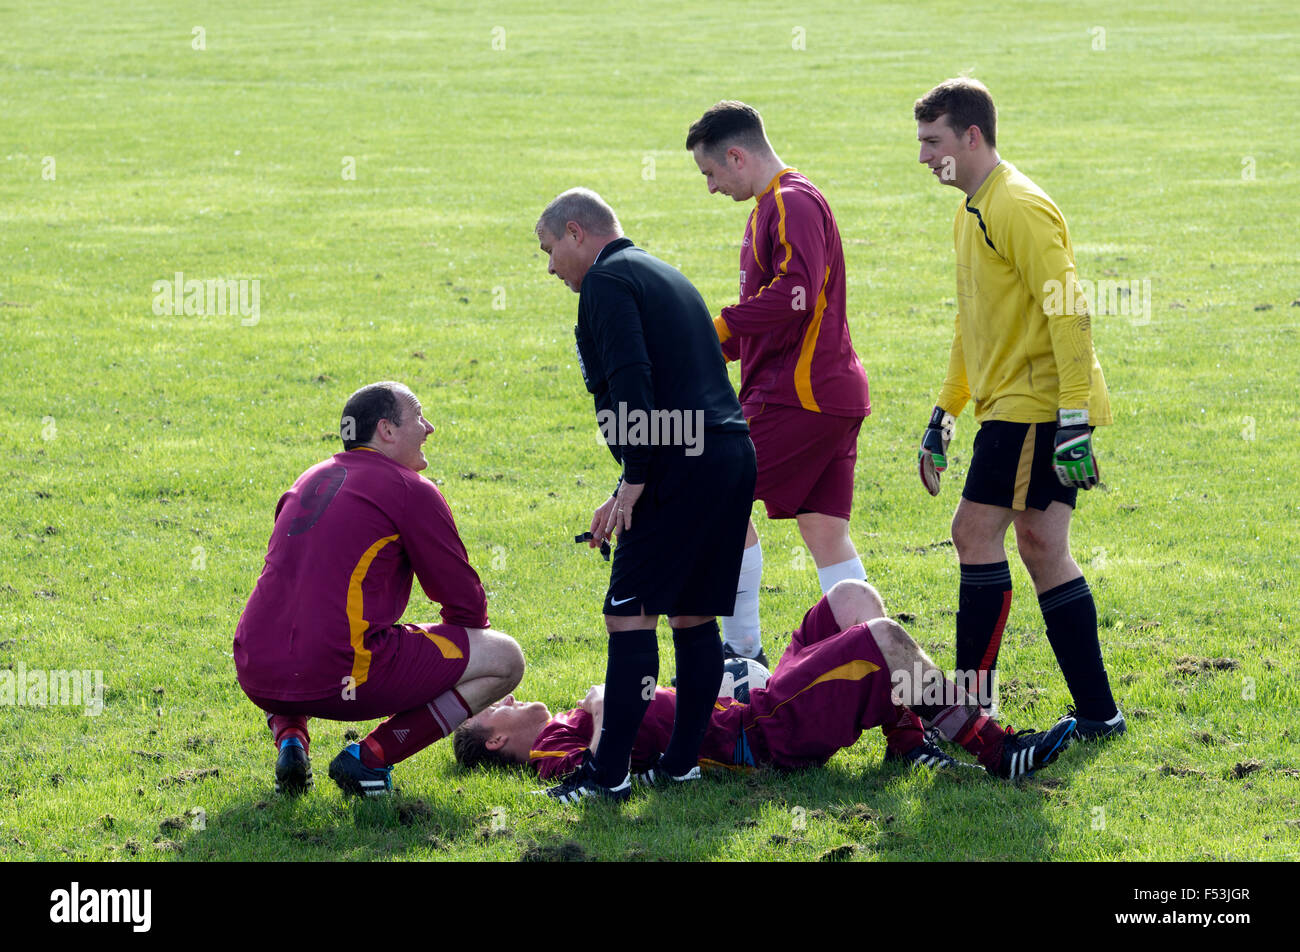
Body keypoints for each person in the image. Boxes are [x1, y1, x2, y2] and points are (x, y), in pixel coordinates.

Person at [913, 77, 1124, 740]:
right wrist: (944, 416)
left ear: (971, 136)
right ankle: (1098, 714)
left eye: (933, 141)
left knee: (974, 534)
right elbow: (969, 326)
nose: (923, 156)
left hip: (1036, 407)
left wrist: (1069, 419)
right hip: (1015, 405)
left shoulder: (1019, 207)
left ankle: (969, 717)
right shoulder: (971, 209)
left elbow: (1070, 311)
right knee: (1040, 545)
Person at [535, 187, 757, 802]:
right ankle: (681, 764)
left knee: (627, 614)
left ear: (576, 233)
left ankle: (608, 777)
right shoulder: (665, 274)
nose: (550, 266)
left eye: (549, 249)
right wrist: (624, 483)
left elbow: (634, 383)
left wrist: (635, 480)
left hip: (676, 465)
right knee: (694, 613)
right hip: (727, 454)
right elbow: (685, 384)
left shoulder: (606, 283)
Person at [453, 580, 1077, 784]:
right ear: (493, 743)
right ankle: (995, 748)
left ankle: (908, 741)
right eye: (490, 711)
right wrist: (601, 708)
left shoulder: (559, 725)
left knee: (850, 598)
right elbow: (599, 780)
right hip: (763, 733)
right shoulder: (548, 754)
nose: (503, 697)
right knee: (883, 639)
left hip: (753, 697)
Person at [233, 381, 525, 797]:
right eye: (419, 416)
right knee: (505, 658)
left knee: (297, 631)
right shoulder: (411, 489)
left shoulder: (308, 477)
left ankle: (291, 738)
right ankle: (370, 759)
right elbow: (465, 606)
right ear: (386, 430)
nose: (430, 427)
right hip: (340, 672)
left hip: (255, 666)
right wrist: (452, 662)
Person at [685, 101, 872, 670]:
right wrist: (710, 347)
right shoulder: (771, 205)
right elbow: (771, 311)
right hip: (828, 395)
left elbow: (798, 294)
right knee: (825, 533)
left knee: (713, 495)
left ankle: (741, 654)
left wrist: (717, 326)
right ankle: (877, 656)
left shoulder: (789, 201)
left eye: (712, 173)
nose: (712, 188)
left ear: (737, 156)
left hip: (801, 395)